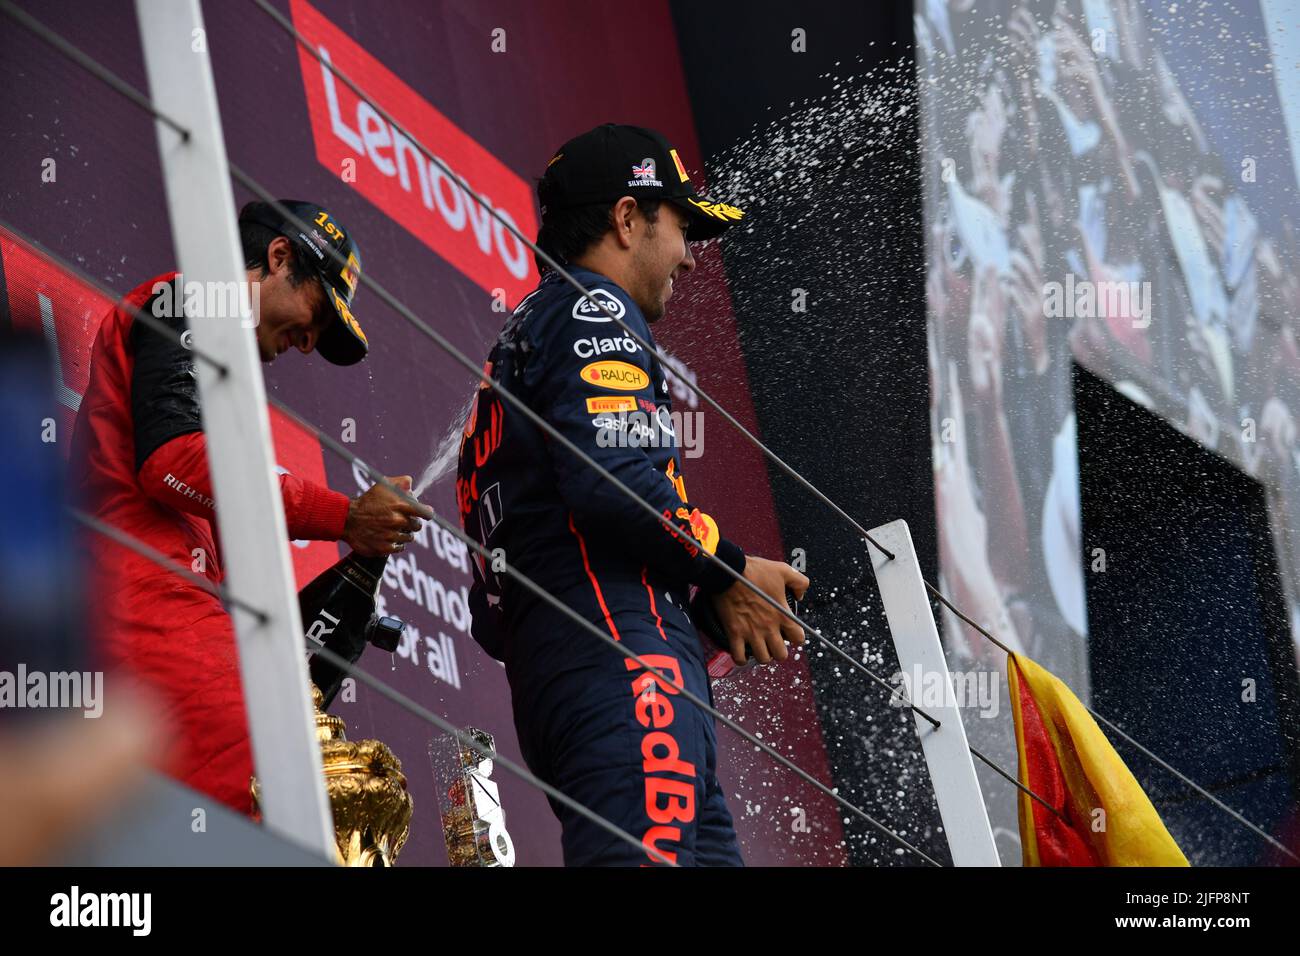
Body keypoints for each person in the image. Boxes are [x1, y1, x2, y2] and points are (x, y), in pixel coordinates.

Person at [456, 124, 809, 866]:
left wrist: (702, 588)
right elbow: (613, 479)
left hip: (578, 680)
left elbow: (500, 606)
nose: (689, 253)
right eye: (680, 228)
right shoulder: (594, 311)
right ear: (626, 219)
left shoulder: (524, 343)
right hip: (628, 668)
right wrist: (729, 568)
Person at [70, 199, 433, 815]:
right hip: (131, 602)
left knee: (307, 789)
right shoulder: (186, 297)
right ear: (279, 256)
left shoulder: (221, 373)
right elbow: (171, 463)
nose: (310, 343)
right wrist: (345, 517)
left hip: (169, 612)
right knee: (284, 789)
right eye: (319, 312)